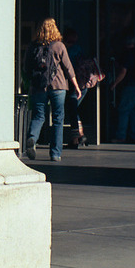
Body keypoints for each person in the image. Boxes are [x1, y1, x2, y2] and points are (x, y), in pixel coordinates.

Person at [23, 18, 82, 162]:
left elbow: (26, 68)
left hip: (38, 86)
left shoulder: (32, 46)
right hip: (58, 87)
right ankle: (55, 153)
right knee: (58, 119)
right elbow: (68, 68)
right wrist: (76, 86)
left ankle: (32, 137)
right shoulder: (59, 46)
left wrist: (29, 83)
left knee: (38, 116)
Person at [110, 33, 135, 143]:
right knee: (133, 112)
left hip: (132, 87)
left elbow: (123, 71)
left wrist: (115, 83)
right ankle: (134, 136)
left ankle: (121, 136)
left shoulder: (127, 55)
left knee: (124, 111)